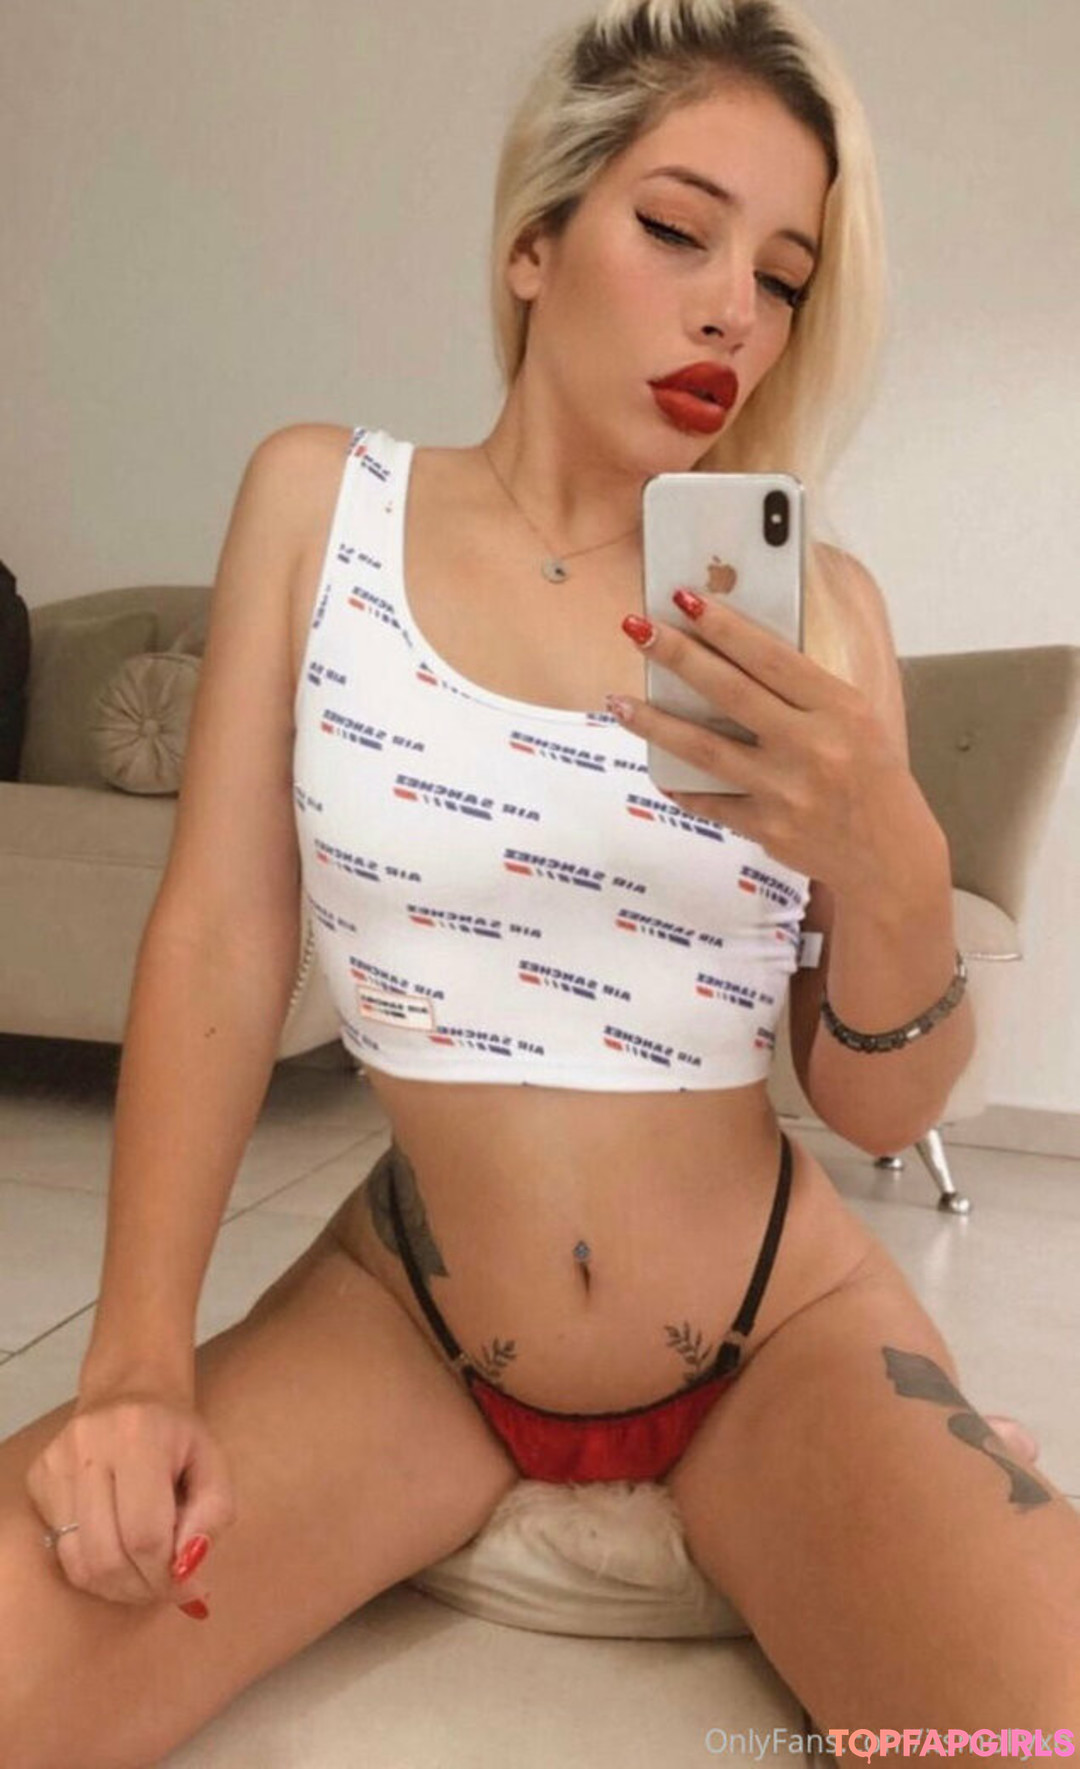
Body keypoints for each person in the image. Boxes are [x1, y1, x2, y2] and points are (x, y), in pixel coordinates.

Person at [2, 1, 1077, 1761]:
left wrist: (892, 860)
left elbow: (877, 1101)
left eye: (784, 276)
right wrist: (134, 1362)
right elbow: (218, 939)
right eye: (678, 229)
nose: (735, 311)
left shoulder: (825, 614)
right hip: (413, 1325)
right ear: (533, 240)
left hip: (775, 1334)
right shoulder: (321, 506)